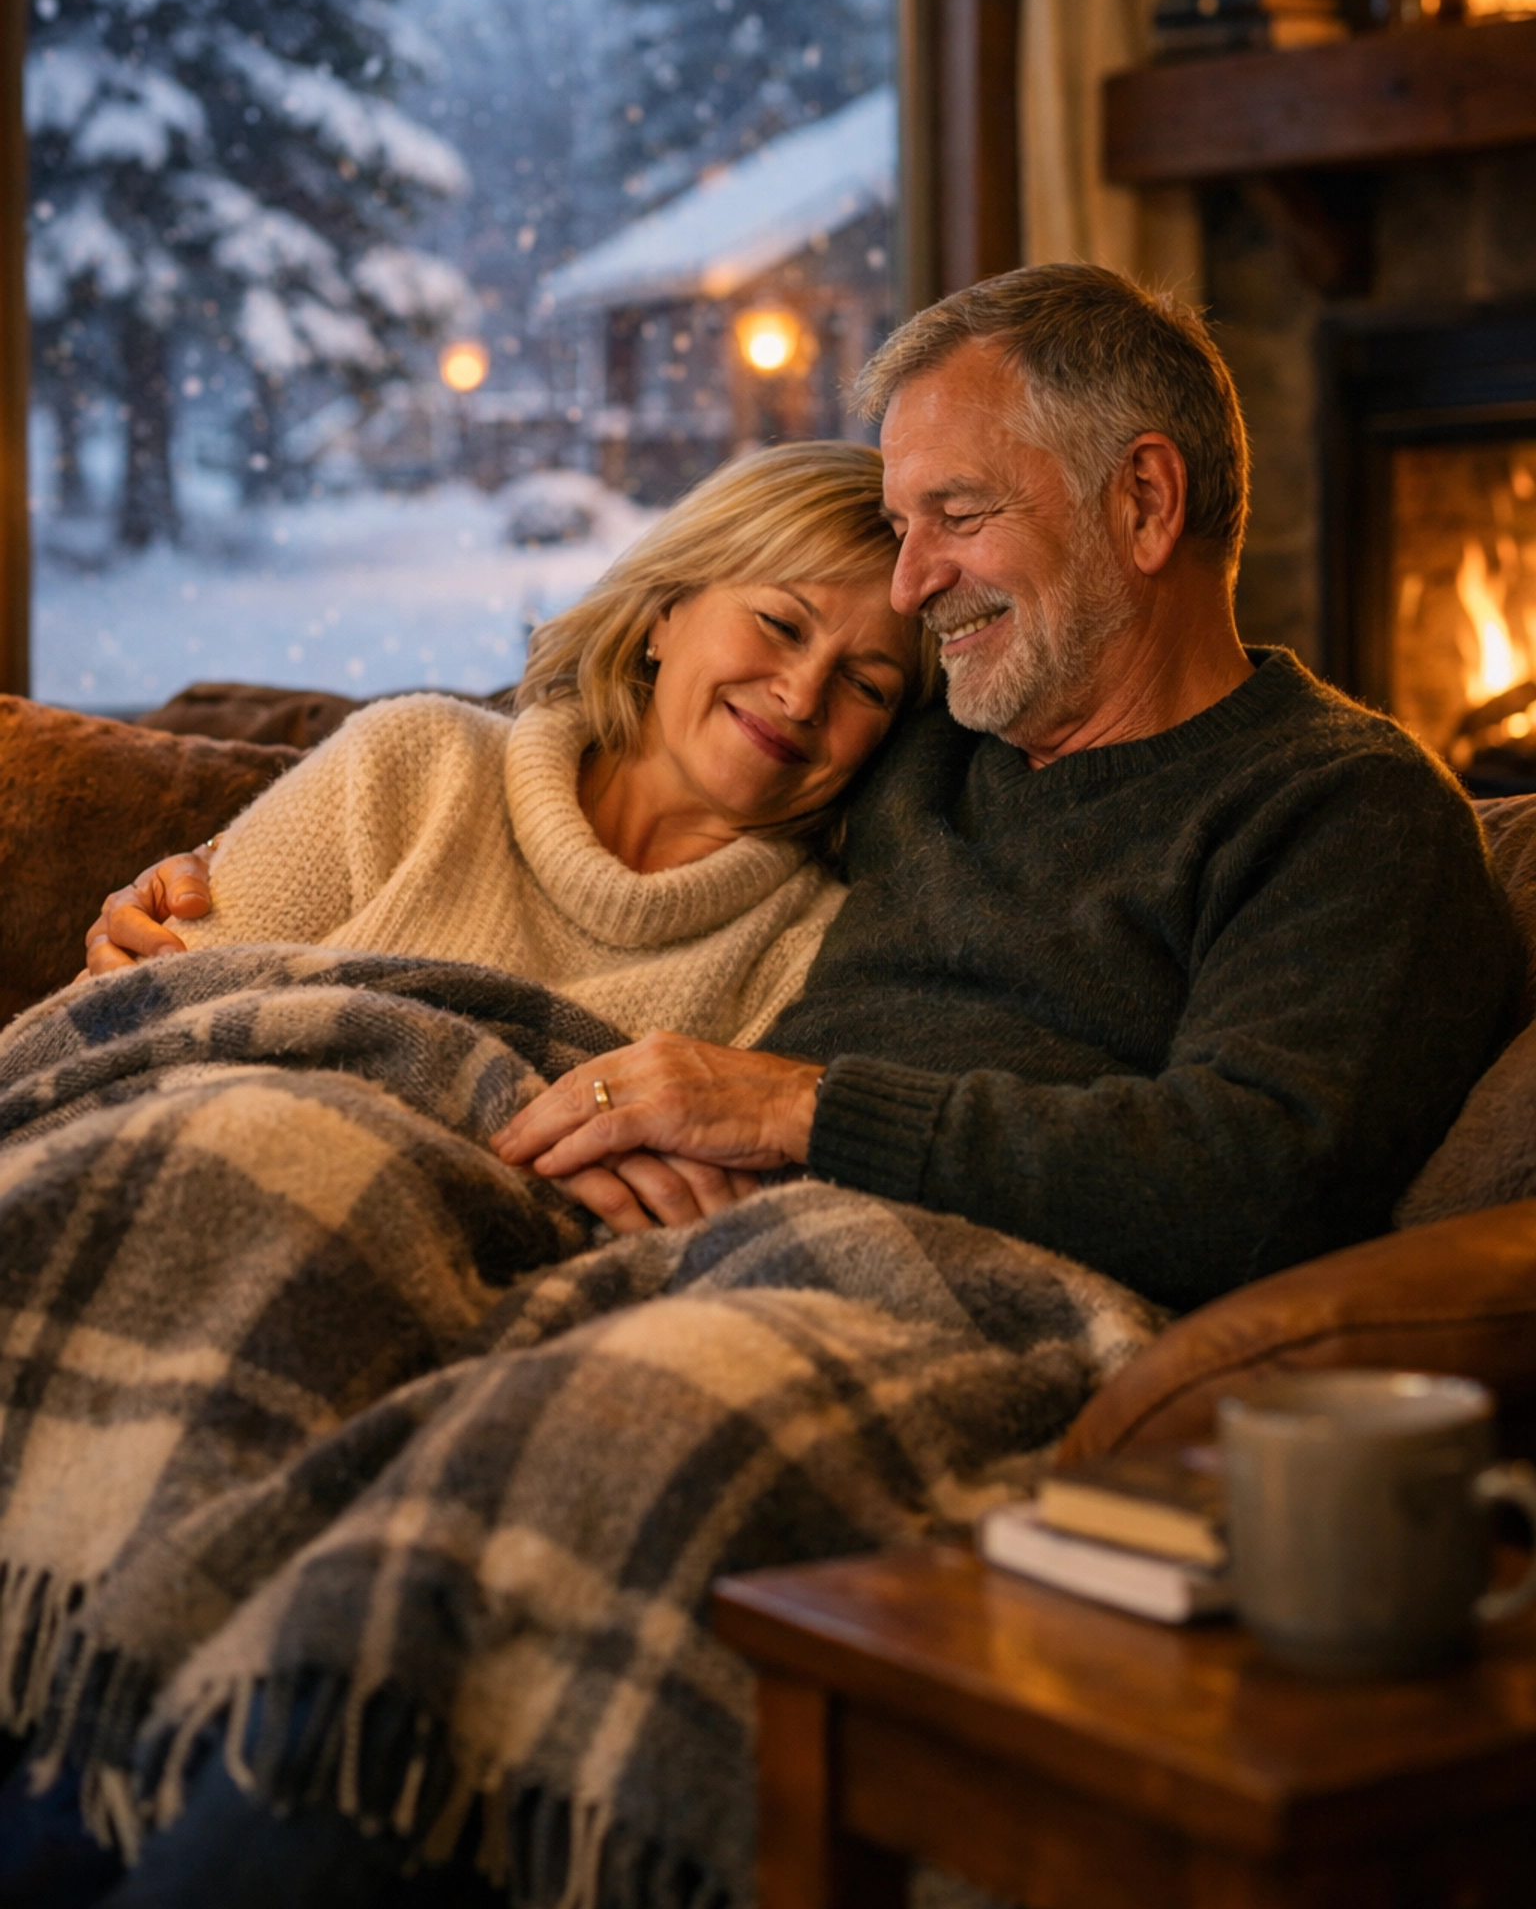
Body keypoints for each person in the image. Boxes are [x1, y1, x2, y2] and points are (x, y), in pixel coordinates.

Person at [493, 263, 1524, 1313]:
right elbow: (682, 738)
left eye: (960, 511)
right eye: (904, 527)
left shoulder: (1347, 813)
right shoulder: (915, 744)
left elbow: (1256, 1188)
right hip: (668, 1232)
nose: (911, 586)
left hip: (932, 1306)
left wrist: (795, 1108)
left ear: (1145, 502)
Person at [83, 440, 933, 1232]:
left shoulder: (814, 955)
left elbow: (692, 1228)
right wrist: (497, 1120)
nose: (801, 694)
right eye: (781, 624)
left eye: (866, 684)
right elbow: (134, 1042)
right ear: (666, 611)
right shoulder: (410, 762)